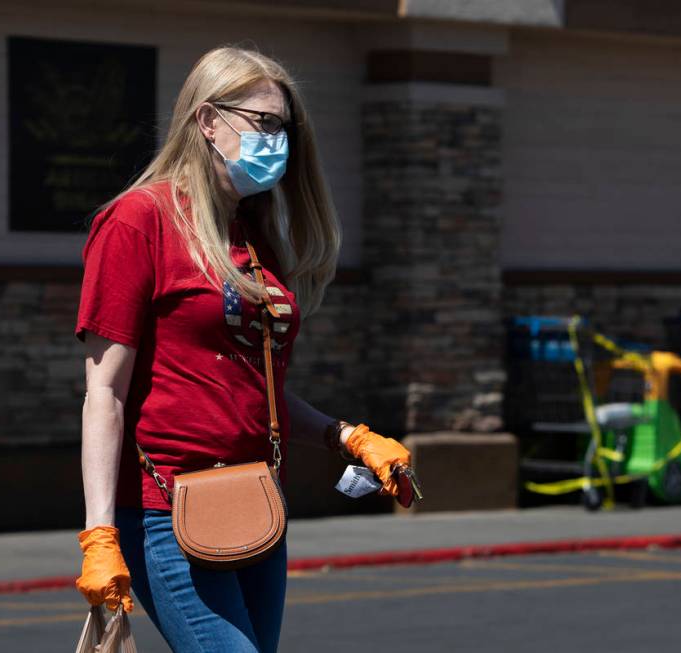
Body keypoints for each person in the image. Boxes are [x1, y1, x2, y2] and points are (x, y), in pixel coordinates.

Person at [73, 45, 413, 653]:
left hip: (256, 500)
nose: (277, 141)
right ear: (207, 121)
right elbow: (105, 392)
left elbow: (257, 391)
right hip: (164, 513)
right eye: (264, 123)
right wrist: (100, 535)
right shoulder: (136, 221)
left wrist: (349, 437)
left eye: (285, 128)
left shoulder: (253, 238)